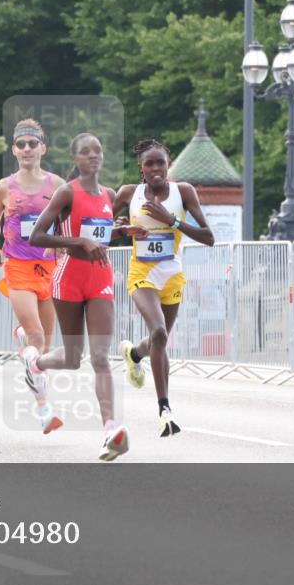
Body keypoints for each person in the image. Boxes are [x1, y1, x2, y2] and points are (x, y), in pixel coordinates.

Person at [27, 133, 129, 461]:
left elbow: (100, 234)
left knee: (100, 356)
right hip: (68, 280)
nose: (93, 156)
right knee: (72, 359)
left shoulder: (109, 195)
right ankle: (36, 363)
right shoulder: (66, 192)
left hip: (100, 280)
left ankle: (110, 429)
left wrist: (120, 232)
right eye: (85, 152)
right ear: (75, 159)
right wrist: (80, 242)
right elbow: (37, 235)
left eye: (98, 150)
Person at [113, 137, 214, 437]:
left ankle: (134, 355)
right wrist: (121, 229)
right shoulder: (128, 194)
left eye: (161, 162)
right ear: (141, 169)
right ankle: (164, 411)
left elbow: (208, 237)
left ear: (168, 165)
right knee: (159, 333)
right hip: (141, 274)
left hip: (172, 275)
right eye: (149, 164)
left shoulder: (183, 192)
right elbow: (100, 232)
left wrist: (172, 221)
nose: (156, 168)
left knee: (158, 339)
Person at [0, 119, 65, 434]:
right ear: (14, 150)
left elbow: (67, 223)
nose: (28, 149)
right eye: (22, 144)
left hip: (49, 270)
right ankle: (44, 410)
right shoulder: (4, 187)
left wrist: (63, 247)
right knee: (35, 337)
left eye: (34, 143)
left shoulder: (58, 185)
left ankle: (23, 338)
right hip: (17, 266)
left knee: (43, 348)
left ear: (43, 148)